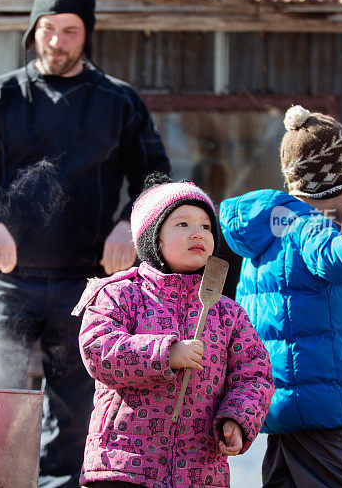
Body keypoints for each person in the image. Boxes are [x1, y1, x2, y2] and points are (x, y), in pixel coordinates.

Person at [0, 0, 171, 487]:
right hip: (8, 280)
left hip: (88, 286)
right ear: (32, 31)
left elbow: (155, 176)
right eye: (48, 29)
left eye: (70, 30)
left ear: (88, 34)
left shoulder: (118, 102)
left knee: (78, 411)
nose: (57, 41)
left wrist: (132, 224)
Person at [220, 105, 342, 487]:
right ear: (332, 184)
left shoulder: (270, 232)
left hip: (284, 397)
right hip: (317, 402)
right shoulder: (306, 225)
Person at [72, 174, 274, 488]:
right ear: (153, 238)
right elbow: (99, 349)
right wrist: (167, 353)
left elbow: (254, 373)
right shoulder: (122, 295)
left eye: (206, 226)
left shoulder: (226, 312)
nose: (198, 233)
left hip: (200, 471)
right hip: (124, 466)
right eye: (182, 224)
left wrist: (237, 416)